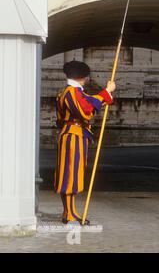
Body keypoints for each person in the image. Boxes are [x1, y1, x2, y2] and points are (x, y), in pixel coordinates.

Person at [54, 60, 116, 225]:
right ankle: (69, 213)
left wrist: (106, 93)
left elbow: (90, 100)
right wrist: (106, 93)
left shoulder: (68, 92)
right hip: (74, 136)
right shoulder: (72, 93)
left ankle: (69, 212)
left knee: (70, 173)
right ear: (83, 77)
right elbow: (86, 111)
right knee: (70, 174)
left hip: (71, 134)